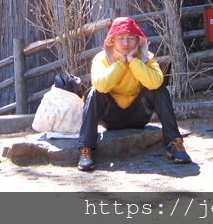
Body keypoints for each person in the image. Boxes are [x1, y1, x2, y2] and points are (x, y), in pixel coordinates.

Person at [77, 17, 192, 172]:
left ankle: (174, 144)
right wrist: (119, 64)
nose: (126, 43)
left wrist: (133, 61)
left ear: (138, 40)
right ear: (112, 41)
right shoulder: (101, 59)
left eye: (131, 38)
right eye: (121, 38)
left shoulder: (146, 57)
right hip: (112, 117)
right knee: (94, 92)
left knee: (159, 89)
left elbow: (155, 82)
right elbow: (101, 85)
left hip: (138, 115)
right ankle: (86, 149)